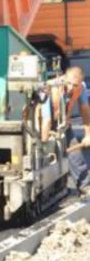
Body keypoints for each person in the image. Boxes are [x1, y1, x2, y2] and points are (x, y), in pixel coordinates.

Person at [40, 66, 90, 194]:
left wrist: (88, 134)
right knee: (44, 157)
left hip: (63, 124)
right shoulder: (48, 88)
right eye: (70, 84)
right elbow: (46, 119)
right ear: (64, 78)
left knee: (75, 154)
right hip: (43, 125)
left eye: (75, 85)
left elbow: (84, 109)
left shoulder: (81, 88)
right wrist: (44, 145)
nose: (72, 88)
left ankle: (84, 185)